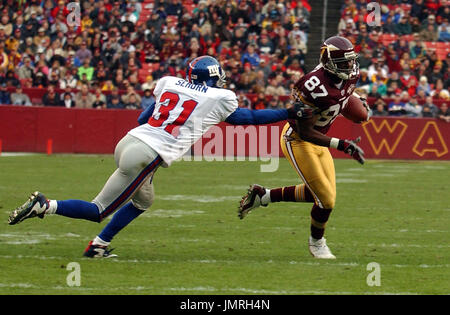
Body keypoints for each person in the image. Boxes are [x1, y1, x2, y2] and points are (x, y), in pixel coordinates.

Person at [8, 55, 307, 258]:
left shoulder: (169, 83)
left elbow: (143, 117)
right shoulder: (219, 97)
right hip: (146, 154)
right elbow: (247, 119)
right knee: (99, 210)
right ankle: (46, 206)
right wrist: (288, 113)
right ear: (212, 79)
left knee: (143, 200)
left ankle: (99, 245)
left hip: (130, 142)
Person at [238, 36, 368, 259]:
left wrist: (358, 104)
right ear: (329, 63)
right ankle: (317, 243)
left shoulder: (351, 74)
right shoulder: (311, 86)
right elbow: (305, 131)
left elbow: (344, 95)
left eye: (350, 61)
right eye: (344, 63)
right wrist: (341, 144)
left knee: (318, 194)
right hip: (298, 140)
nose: (350, 66)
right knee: (325, 200)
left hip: (320, 140)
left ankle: (263, 196)